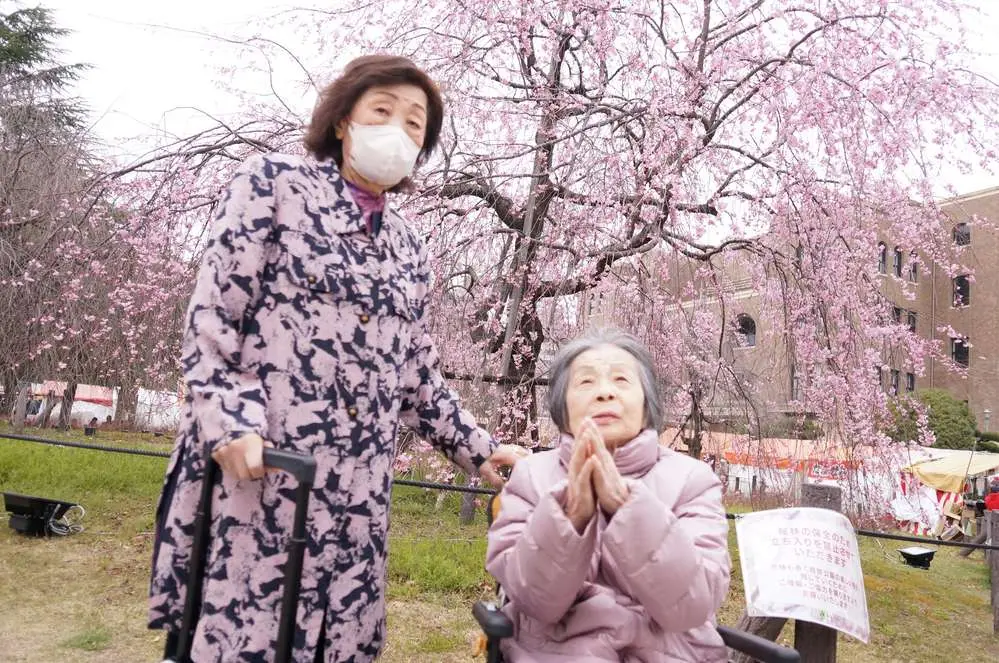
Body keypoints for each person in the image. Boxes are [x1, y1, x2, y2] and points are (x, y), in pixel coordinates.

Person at [148, 54, 527, 663]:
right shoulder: (272, 185)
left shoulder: (408, 246)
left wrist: (481, 449)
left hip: (356, 497)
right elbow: (215, 318)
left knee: (337, 644)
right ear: (343, 119)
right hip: (265, 473)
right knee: (245, 640)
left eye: (414, 123)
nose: (397, 130)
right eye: (383, 110)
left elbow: (416, 375)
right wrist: (233, 423)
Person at [486, 329, 731, 662]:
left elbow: (692, 606)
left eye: (621, 380)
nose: (604, 392)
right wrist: (571, 518)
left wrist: (627, 509)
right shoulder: (531, 475)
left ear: (646, 406)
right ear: (562, 408)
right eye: (586, 382)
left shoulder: (693, 479)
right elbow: (534, 603)